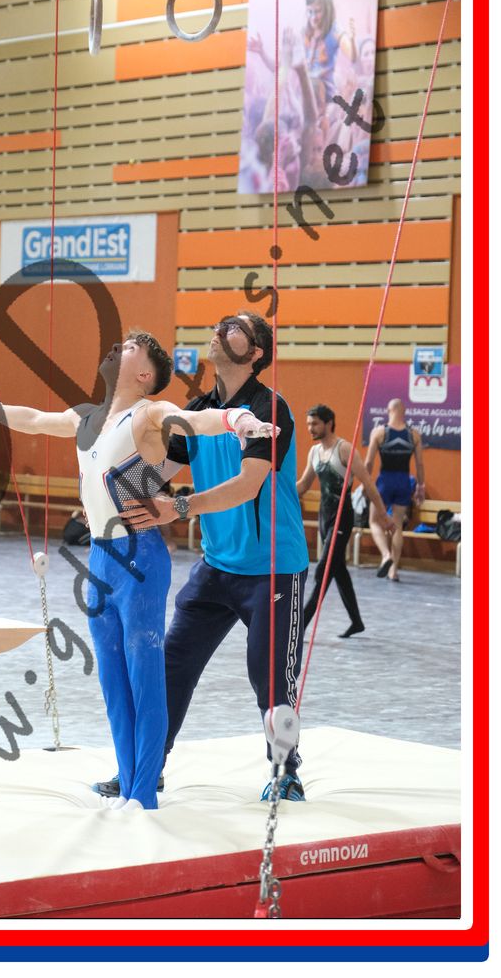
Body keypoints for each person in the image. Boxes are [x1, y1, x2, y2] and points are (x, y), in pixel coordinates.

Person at [0, 332, 277, 811]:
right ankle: (127, 782)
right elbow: (33, 419)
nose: (116, 348)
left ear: (143, 374)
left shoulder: (148, 413)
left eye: (129, 348)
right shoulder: (85, 417)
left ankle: (143, 795)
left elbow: (197, 422)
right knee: (114, 684)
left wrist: (238, 419)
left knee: (145, 677)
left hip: (138, 558)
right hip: (100, 559)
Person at [110, 311, 310, 802]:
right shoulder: (198, 411)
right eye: (219, 325)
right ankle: (147, 769)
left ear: (255, 353)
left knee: (271, 681)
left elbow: (248, 485)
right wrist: (111, 485)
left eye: (234, 328)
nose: (219, 331)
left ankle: (286, 773)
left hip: (273, 570)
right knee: (170, 666)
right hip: (217, 568)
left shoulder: (269, 408)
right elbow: (158, 471)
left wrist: (178, 508)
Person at [296, 404, 393, 638]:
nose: (310, 428)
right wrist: (278, 493)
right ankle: (356, 622)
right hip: (324, 516)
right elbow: (304, 485)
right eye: (308, 424)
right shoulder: (314, 452)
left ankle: (299, 628)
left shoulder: (344, 449)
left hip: (342, 517)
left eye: (315, 423)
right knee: (338, 570)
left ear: (328, 423)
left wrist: (383, 515)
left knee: (323, 570)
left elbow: (368, 484)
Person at [365, 399, 426, 581]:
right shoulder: (414, 435)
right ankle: (394, 571)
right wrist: (420, 487)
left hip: (385, 481)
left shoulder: (379, 433)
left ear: (388, 410)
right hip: (404, 481)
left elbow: (368, 462)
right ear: (404, 411)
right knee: (397, 525)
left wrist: (366, 483)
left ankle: (386, 555)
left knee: (374, 521)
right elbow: (420, 464)